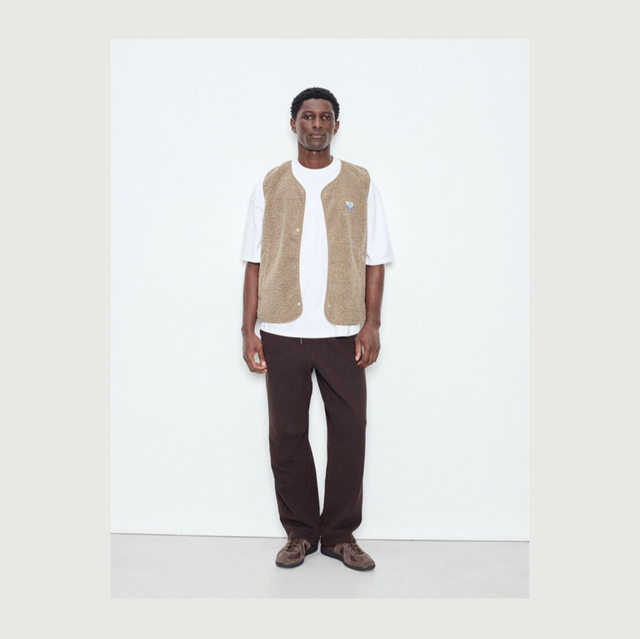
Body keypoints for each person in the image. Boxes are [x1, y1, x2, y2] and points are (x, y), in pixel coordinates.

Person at [240, 87, 394, 572]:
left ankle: (341, 535)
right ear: (294, 124)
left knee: (350, 431)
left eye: (325, 117)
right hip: (282, 330)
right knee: (287, 434)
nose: (316, 125)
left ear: (336, 126)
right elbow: (253, 262)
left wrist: (371, 323)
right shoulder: (270, 184)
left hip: (342, 331)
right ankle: (301, 533)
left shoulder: (360, 182)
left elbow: (375, 259)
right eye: (308, 116)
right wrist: (248, 329)